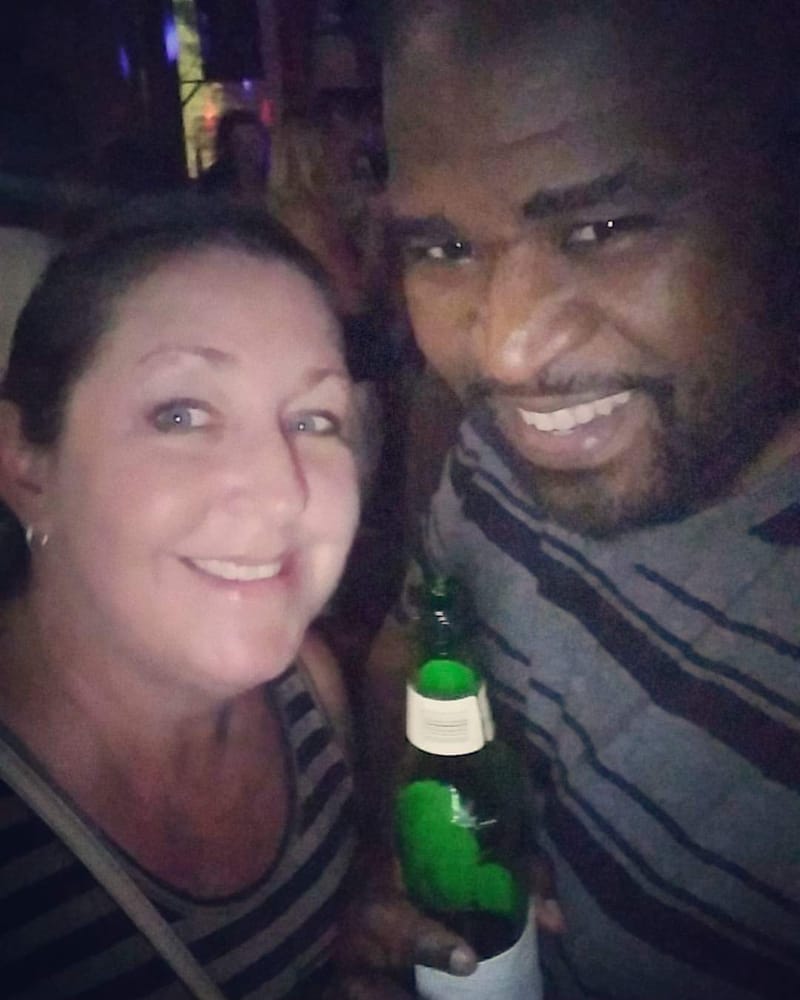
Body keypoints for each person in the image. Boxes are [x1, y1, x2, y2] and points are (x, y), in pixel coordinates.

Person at [340, 1, 800, 998]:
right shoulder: (497, 454)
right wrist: (407, 848)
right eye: (442, 250)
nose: (507, 353)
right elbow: (403, 652)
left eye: (601, 230)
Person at [0, 196, 366, 998]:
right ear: (27, 465)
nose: (282, 493)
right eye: (182, 414)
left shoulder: (311, 693)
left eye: (315, 420)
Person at [199, 108, 271, 202]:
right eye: (239, 143)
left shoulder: (279, 186)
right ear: (227, 148)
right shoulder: (213, 190)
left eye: (254, 142)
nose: (248, 150)